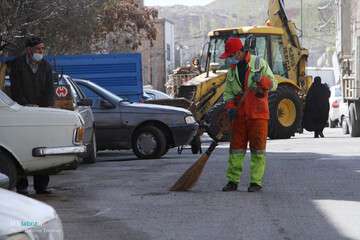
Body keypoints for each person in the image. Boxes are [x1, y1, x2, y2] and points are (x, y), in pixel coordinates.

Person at [220, 37, 277, 192]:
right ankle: (232, 181)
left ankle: (255, 182)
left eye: (231, 54)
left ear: (239, 52)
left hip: (257, 115)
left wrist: (262, 80)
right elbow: (228, 93)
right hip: (239, 115)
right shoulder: (232, 70)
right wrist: (230, 107)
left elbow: (273, 84)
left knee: (258, 150)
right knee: (236, 149)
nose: (230, 58)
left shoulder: (259, 64)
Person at [9, 36, 54, 194]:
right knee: (22, 148)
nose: (41, 52)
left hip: (41, 114)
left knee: (42, 148)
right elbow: (16, 90)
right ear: (29, 50)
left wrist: (46, 107)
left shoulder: (46, 66)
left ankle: (41, 186)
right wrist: (26, 105)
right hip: (22, 113)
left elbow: (49, 90)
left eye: (42, 49)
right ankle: (22, 186)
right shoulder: (17, 65)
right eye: (38, 49)